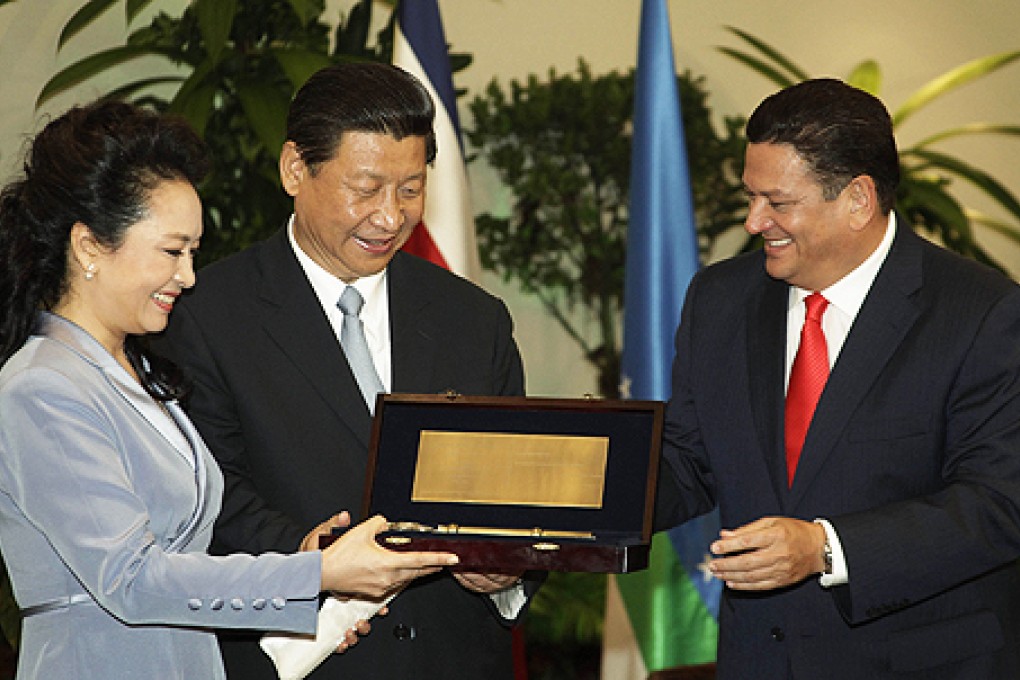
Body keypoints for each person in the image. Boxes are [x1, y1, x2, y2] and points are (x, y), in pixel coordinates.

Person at [0, 100, 460, 680]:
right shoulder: (42, 387)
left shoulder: (137, 369)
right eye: (171, 251)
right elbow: (132, 580)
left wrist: (310, 573)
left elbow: (195, 550)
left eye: (193, 252)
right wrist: (320, 574)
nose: (189, 277)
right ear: (90, 246)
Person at [155, 62, 537, 679]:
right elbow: (208, 498)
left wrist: (508, 566)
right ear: (294, 170)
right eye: (366, 189)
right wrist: (315, 555)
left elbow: (514, 490)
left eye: (410, 189)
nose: (390, 217)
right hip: (307, 657)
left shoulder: (474, 319)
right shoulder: (205, 315)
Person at [655, 78, 1020, 679]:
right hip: (761, 660)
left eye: (778, 201)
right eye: (750, 195)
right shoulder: (719, 300)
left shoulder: (981, 313)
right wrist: (571, 496)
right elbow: (687, 459)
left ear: (858, 199)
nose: (753, 221)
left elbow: (999, 503)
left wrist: (826, 547)